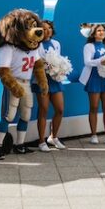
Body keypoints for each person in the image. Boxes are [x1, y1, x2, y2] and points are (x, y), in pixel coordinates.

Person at [80, 24, 105, 145]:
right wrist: (101, 61)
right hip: (94, 78)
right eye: (98, 30)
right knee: (94, 108)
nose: (101, 32)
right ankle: (94, 134)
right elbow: (87, 62)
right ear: (93, 33)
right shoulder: (88, 46)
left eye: (103, 30)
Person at [34, 20, 67, 152]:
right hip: (41, 80)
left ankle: (53, 137)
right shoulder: (36, 45)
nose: (47, 31)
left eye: (49, 28)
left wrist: (60, 68)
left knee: (59, 109)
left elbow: (59, 59)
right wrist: (47, 66)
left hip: (55, 79)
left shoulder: (56, 44)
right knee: (43, 109)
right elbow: (37, 62)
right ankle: (41, 141)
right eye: (43, 29)